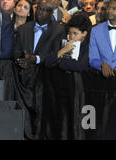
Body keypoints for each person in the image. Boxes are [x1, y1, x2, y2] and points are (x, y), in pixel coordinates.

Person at [12, 0, 66, 139]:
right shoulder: (23, 29)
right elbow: (16, 51)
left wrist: (34, 59)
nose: (40, 12)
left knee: (42, 113)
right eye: (39, 9)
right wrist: (22, 60)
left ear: (51, 13)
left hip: (45, 78)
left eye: (45, 10)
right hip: (24, 78)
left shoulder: (58, 31)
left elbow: (56, 54)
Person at [43, 12, 92, 140]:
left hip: (78, 90)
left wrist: (60, 62)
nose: (71, 37)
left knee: (75, 120)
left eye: (75, 34)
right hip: (59, 88)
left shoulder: (89, 45)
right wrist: (62, 51)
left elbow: (81, 66)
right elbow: (48, 62)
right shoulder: (63, 41)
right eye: (70, 33)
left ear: (84, 33)